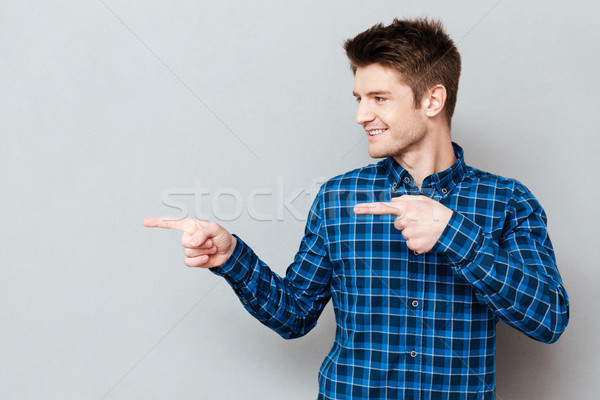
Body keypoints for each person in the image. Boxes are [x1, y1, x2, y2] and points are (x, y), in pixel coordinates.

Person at [144, 18, 569, 400]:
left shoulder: (508, 201)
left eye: (380, 98)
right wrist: (231, 256)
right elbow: (294, 315)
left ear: (433, 100)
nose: (362, 115)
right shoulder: (337, 198)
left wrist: (454, 234)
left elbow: (549, 318)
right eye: (359, 98)